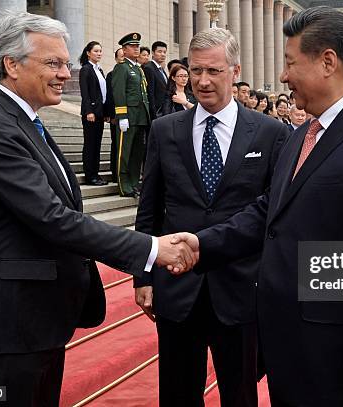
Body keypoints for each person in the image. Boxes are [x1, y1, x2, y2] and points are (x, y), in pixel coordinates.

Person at [173, 6, 343, 406]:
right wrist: (202, 245)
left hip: (339, 358)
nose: (282, 76)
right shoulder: (301, 135)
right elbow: (268, 213)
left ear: (327, 62)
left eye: (290, 62)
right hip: (290, 347)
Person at [0, 12, 197, 406]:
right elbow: (51, 218)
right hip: (11, 324)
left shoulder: (25, 122)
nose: (65, 73)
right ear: (12, 64)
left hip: (38, 320)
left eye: (66, 62)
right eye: (53, 63)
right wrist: (151, 249)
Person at [134, 28, 289, 407]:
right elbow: (150, 208)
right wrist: (143, 276)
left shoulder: (269, 133)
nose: (202, 81)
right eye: (195, 69)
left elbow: (275, 213)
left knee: (239, 393)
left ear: (234, 71)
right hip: (175, 285)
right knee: (177, 392)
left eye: (214, 71)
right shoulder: (164, 129)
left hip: (240, 287)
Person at [111, 32, 152, 197]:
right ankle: (124, 185)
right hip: (128, 116)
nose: (136, 49)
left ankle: (134, 183)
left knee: (137, 153)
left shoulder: (138, 69)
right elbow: (119, 93)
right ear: (124, 49)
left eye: (138, 46)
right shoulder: (121, 68)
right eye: (132, 46)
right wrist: (122, 116)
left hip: (140, 117)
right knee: (125, 152)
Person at [78, 41, 108, 186]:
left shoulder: (99, 70)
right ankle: (90, 176)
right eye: (96, 51)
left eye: (100, 51)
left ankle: (96, 174)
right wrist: (89, 111)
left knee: (97, 144)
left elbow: (103, 94)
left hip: (100, 113)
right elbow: (85, 93)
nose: (99, 53)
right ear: (88, 53)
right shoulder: (86, 69)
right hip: (91, 114)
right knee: (90, 144)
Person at [105, 47, 124, 179]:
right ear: (116, 58)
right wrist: (111, 115)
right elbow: (110, 96)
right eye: (120, 56)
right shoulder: (112, 74)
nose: (123, 58)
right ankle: (115, 172)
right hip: (116, 116)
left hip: (129, 117)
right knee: (116, 144)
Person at [144, 40, 169, 117]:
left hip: (164, 110)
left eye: (164, 52)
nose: (163, 54)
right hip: (156, 112)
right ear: (153, 53)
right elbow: (150, 93)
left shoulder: (161, 69)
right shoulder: (149, 68)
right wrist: (153, 114)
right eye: (160, 51)